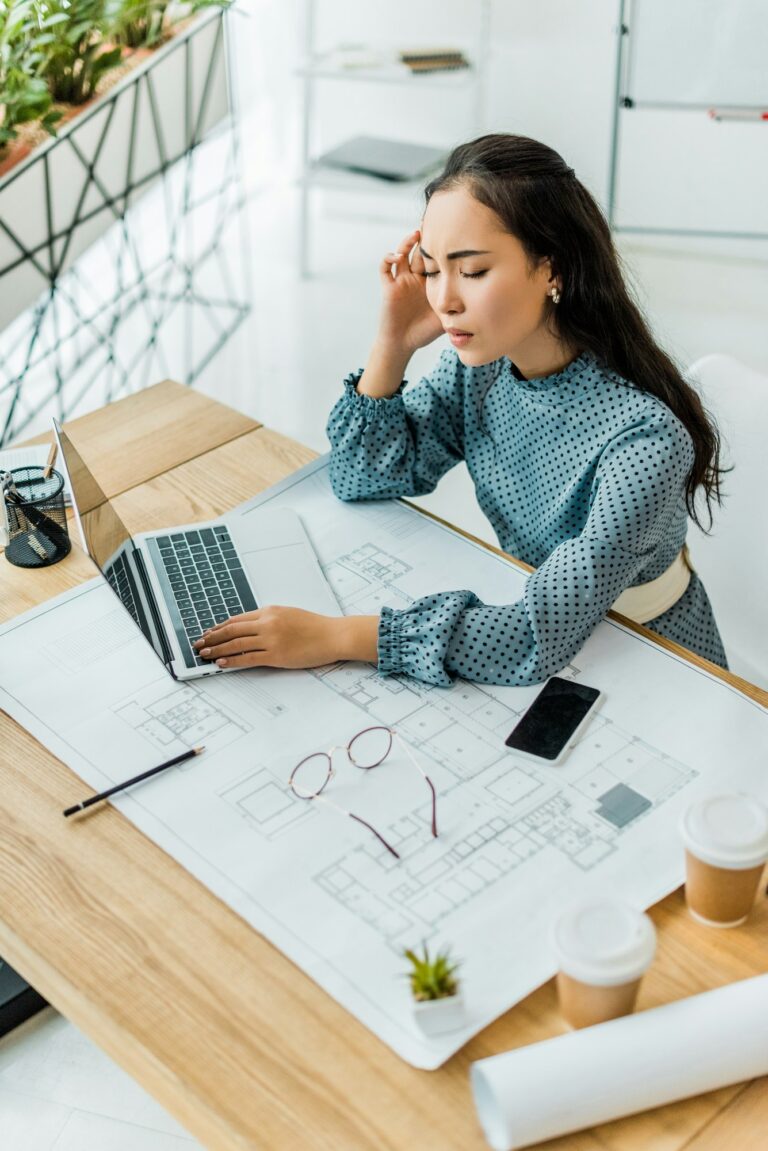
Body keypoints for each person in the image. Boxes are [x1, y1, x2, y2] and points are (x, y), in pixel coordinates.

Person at [195, 133, 727, 686]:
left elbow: (533, 634)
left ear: (554, 269)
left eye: (471, 272)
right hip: (541, 640)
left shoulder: (646, 440)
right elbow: (360, 475)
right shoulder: (480, 372)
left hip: (653, 661)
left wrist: (337, 637)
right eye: (431, 270)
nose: (445, 299)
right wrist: (393, 343)